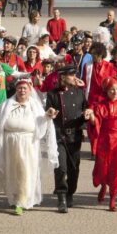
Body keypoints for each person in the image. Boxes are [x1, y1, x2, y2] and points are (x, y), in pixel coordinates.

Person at [0, 78, 57, 215]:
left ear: (29, 90)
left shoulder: (34, 106)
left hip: (28, 144)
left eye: (25, 88)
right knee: (12, 171)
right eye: (19, 88)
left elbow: (42, 119)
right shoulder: (7, 104)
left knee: (25, 171)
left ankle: (22, 200)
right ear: (16, 89)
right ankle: (15, 197)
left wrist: (48, 115)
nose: (22, 90)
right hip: (9, 144)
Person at [46, 63, 89, 212]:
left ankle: (70, 192)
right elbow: (47, 111)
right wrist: (50, 112)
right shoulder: (52, 94)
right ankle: (62, 196)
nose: (74, 78)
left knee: (74, 168)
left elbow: (86, 110)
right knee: (61, 168)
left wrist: (87, 115)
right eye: (71, 75)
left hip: (75, 136)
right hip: (59, 136)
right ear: (63, 77)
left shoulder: (79, 93)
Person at [90, 76, 117, 211]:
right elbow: (96, 122)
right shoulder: (100, 105)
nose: (114, 92)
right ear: (106, 91)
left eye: (116, 89)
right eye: (111, 90)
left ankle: (113, 198)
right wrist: (91, 117)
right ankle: (103, 185)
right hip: (104, 139)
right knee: (102, 166)